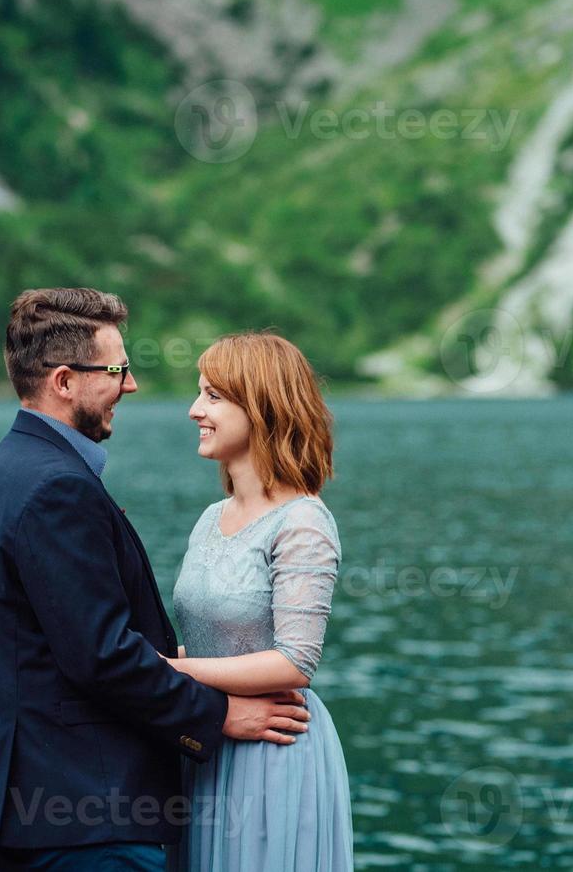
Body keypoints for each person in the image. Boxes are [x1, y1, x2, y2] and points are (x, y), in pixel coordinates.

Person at [0, 288, 312, 871]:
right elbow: (102, 656)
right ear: (65, 381)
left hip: (49, 812)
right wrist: (220, 715)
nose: (131, 384)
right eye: (117, 369)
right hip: (87, 817)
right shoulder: (55, 488)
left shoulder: (16, 467)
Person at [166, 331, 354, 871]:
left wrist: (169, 671)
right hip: (207, 740)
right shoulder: (210, 517)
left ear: (263, 406)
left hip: (272, 749)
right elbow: (211, 637)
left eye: (214, 396)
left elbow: (295, 661)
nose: (194, 410)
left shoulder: (303, 522)